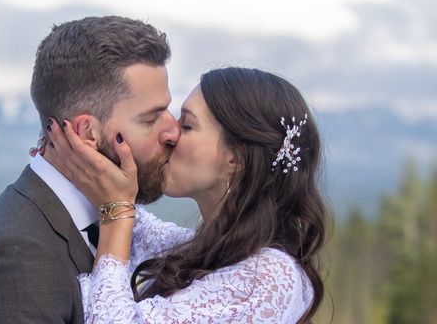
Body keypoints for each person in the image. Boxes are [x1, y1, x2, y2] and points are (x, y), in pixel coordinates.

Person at [0, 16, 180, 323]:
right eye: (151, 119)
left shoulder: (106, 219)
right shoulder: (15, 256)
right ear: (86, 133)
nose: (173, 132)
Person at [47, 67, 327, 323]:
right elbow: (139, 230)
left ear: (236, 158)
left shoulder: (268, 277)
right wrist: (85, 159)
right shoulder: (213, 252)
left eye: (188, 125)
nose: (170, 133)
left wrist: (115, 211)